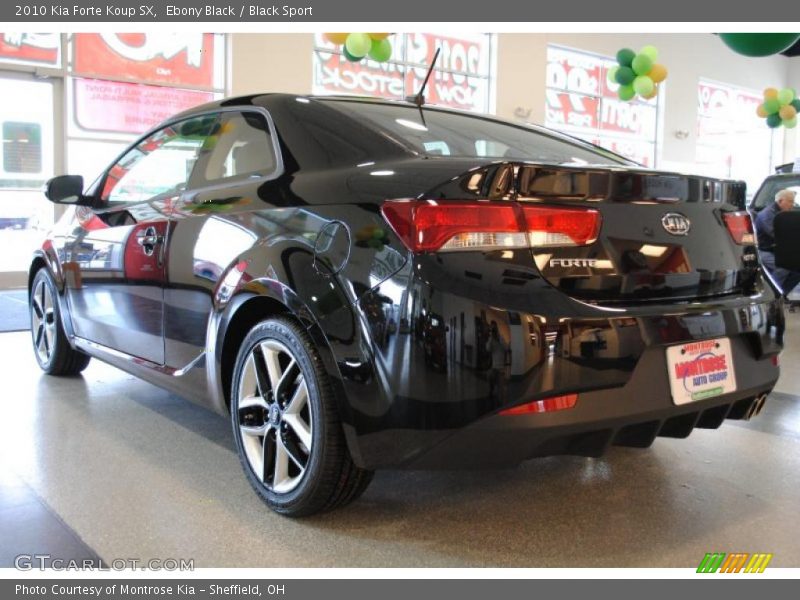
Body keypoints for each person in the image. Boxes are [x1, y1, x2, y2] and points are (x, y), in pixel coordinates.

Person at [755, 188, 800, 298]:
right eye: (790, 201)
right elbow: (778, 236)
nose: (792, 205)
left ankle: (782, 294)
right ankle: (772, 295)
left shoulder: (784, 214)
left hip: (779, 250)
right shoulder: (767, 215)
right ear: (780, 201)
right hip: (764, 251)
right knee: (783, 267)